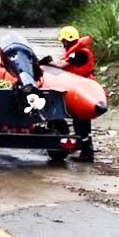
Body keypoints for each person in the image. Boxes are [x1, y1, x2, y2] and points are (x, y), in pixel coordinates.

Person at [39, 25, 97, 162]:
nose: (63, 44)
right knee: (80, 123)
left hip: (82, 90)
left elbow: (62, 66)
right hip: (80, 89)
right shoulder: (76, 52)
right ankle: (83, 149)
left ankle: (87, 153)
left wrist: (48, 63)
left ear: (67, 40)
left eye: (63, 41)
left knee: (81, 123)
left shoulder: (79, 53)